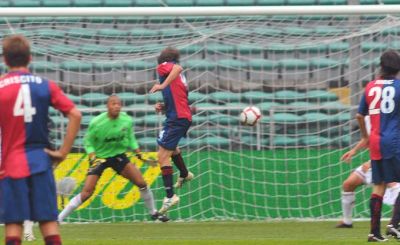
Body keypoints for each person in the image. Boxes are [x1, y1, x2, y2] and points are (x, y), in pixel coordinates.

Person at [0, 34, 82, 245]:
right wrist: (63, 152)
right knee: (48, 223)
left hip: (11, 163)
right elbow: (75, 114)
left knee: (13, 225)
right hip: (40, 160)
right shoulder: (45, 85)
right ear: (30, 59)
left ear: (5, 60)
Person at [58, 94, 169, 222]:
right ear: (108, 106)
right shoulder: (97, 122)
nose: (116, 106)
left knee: (141, 183)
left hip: (118, 156)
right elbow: (88, 142)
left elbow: (131, 139)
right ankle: (59, 218)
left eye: (118, 104)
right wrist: (93, 157)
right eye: (113, 103)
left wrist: (139, 154)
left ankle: (154, 213)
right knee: (87, 192)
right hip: (99, 158)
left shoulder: (126, 120)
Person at [357, 49, 400, 242]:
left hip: (375, 141)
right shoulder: (399, 87)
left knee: (379, 185)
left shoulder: (370, 87)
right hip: (394, 142)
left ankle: (374, 232)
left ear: (381, 66)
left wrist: (365, 137)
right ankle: (394, 224)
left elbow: (360, 115)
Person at [149, 47, 194, 214]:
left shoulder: (165, 66)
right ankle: (184, 173)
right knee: (170, 147)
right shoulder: (180, 79)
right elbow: (179, 98)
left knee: (162, 155)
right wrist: (165, 107)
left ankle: (170, 196)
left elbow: (177, 68)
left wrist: (161, 85)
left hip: (177, 119)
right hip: (182, 116)